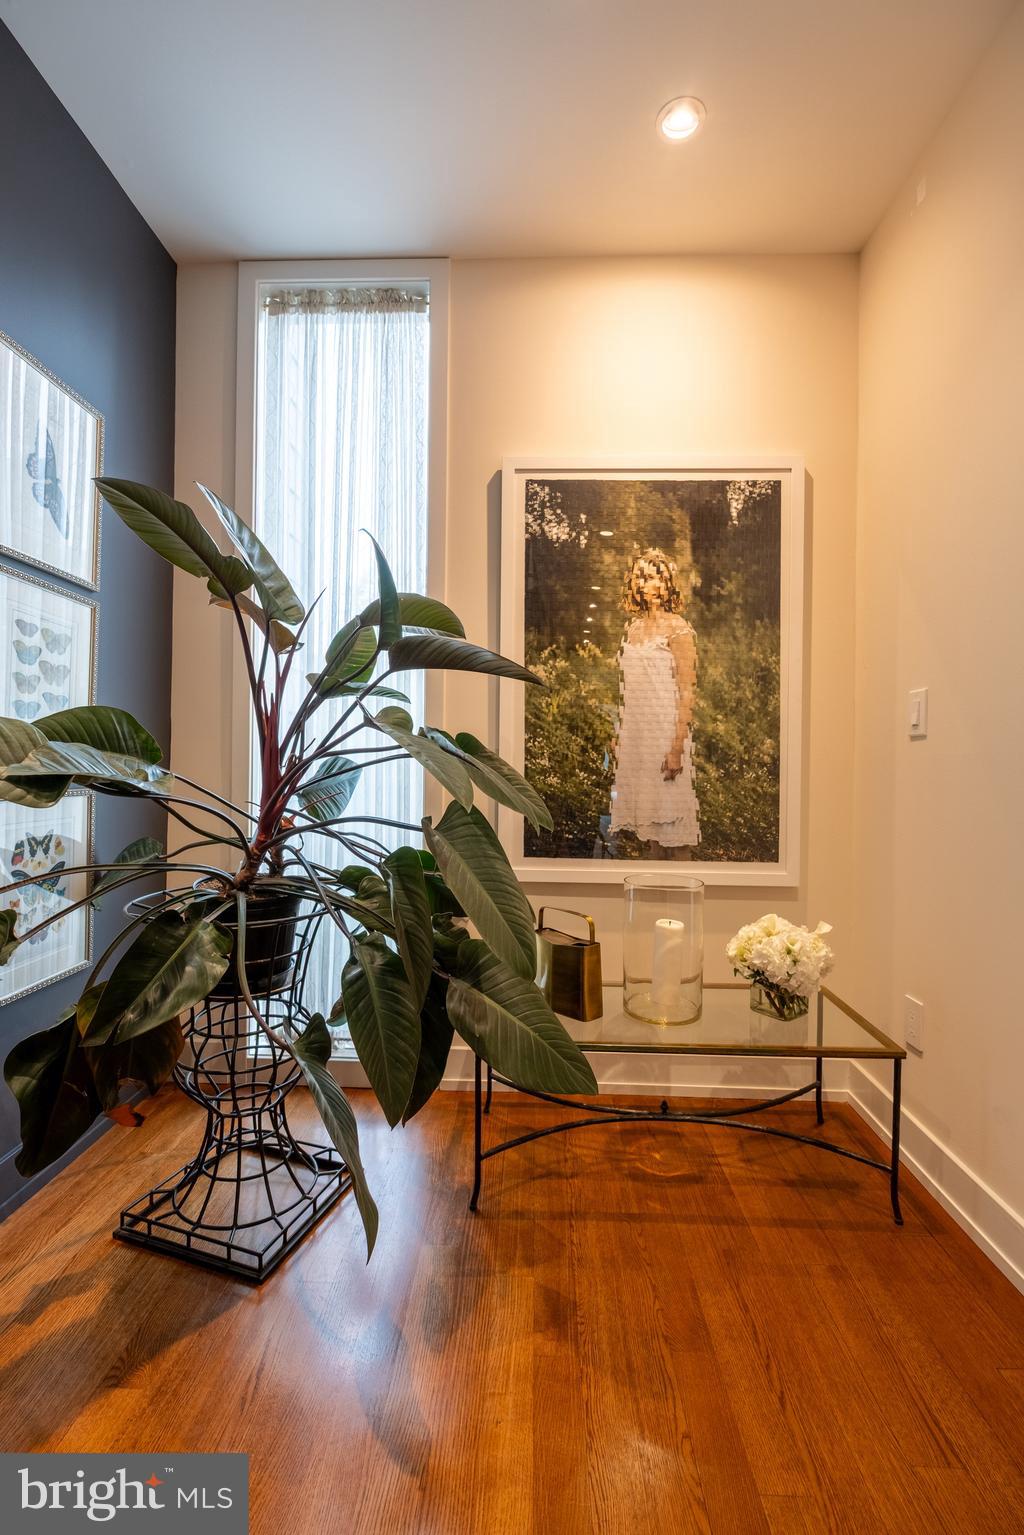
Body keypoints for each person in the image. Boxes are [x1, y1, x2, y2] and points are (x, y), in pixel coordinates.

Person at [609, 548, 700, 853]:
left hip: (665, 737)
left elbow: (688, 691)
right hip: (639, 738)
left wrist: (676, 747)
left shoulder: (679, 628)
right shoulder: (632, 629)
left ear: (665, 583)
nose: (642, 584)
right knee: (649, 835)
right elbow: (629, 690)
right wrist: (620, 735)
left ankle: (683, 898)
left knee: (676, 835)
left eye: (649, 577)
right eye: (639, 577)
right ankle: (652, 899)